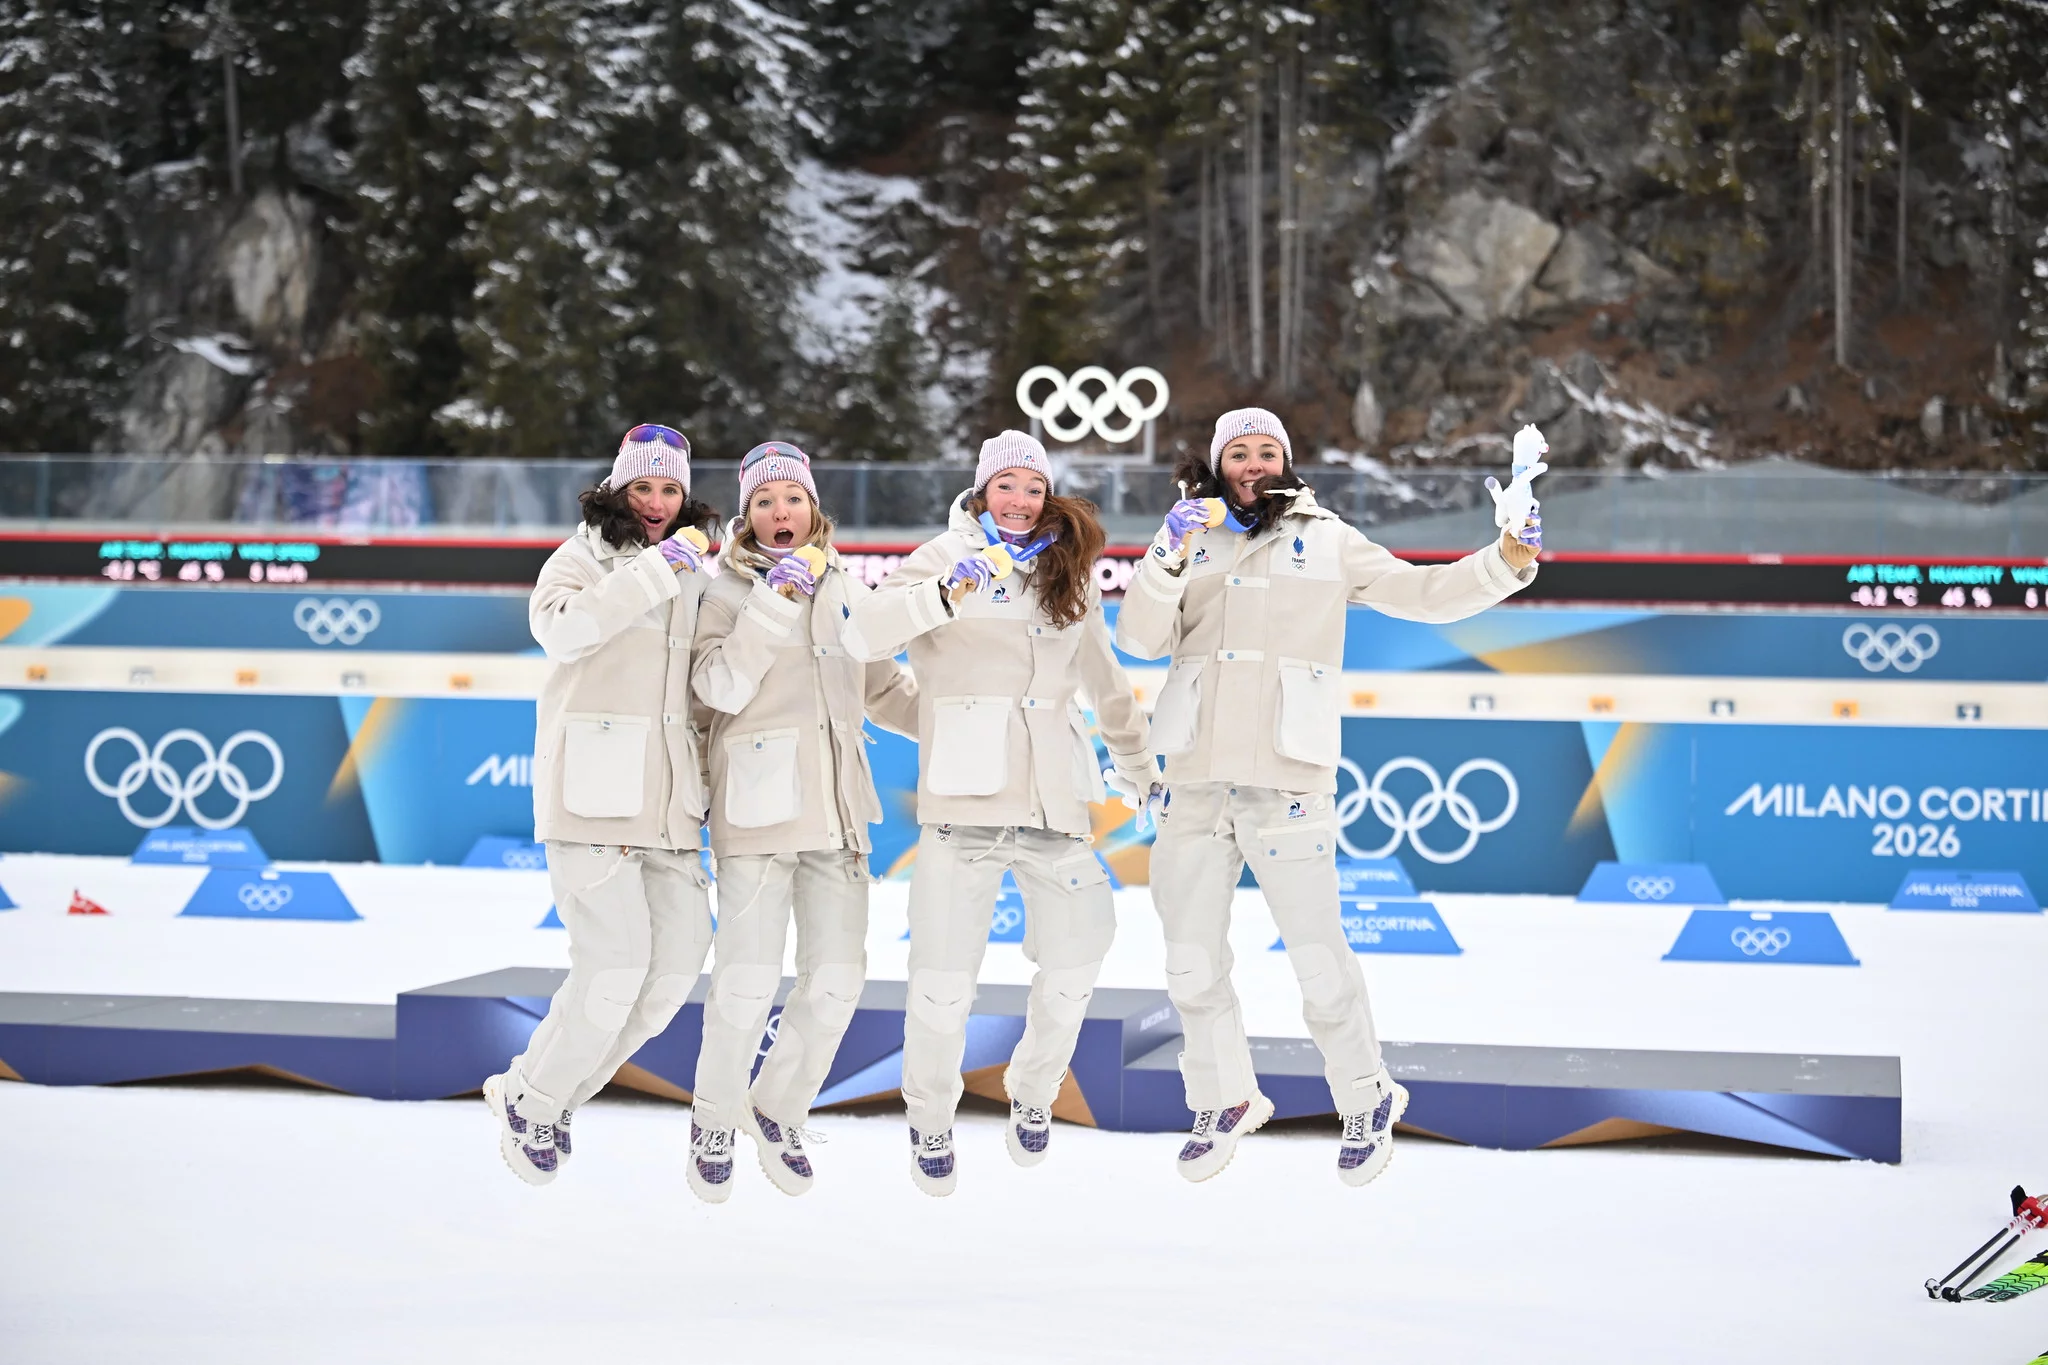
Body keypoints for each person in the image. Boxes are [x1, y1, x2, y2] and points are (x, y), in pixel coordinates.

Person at [1114, 407, 1542, 1187]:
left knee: (1317, 959)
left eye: (1266, 450)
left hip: (1289, 782)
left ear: (1287, 460)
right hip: (1196, 784)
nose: (1253, 462)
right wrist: (1164, 551)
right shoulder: (1186, 536)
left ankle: (1366, 1094)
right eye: (1238, 452)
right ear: (1217, 463)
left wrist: (1505, 559)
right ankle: (1223, 1097)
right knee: (1189, 963)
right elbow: (1137, 639)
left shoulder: (1329, 537)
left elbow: (1421, 592)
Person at [846, 430, 1153, 1196]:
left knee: (1081, 954)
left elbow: (1106, 682)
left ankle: (1035, 1087)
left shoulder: (1065, 568)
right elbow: (864, 640)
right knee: (943, 981)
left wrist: (1138, 764)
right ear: (981, 491)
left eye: (1033, 487)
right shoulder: (935, 560)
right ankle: (929, 1113)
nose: (1020, 500)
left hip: (1055, 804)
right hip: (962, 806)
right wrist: (946, 601)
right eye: (1006, 485)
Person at [484, 424, 720, 1186]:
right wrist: (653, 572)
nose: (657, 502)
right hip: (589, 800)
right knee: (611, 968)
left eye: (671, 489)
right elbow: (562, 630)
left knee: (672, 972)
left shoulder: (699, 571)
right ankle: (540, 1098)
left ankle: (540, 1094)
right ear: (618, 489)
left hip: (669, 807)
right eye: (644, 487)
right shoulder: (581, 556)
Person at [685, 442, 919, 1203]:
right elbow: (716, 685)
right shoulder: (718, 592)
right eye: (763, 502)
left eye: (791, 499)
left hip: (840, 817)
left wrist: (960, 724)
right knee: (746, 984)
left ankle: (778, 1107)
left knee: (838, 981)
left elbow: (885, 688)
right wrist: (772, 601)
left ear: (813, 509)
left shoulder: (850, 588)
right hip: (754, 817)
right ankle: (714, 1117)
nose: (779, 513)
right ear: (745, 517)